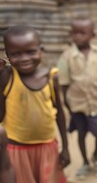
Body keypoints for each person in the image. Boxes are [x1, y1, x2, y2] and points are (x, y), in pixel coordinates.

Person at [0, 25, 70, 183]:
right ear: (7, 56)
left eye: (30, 52)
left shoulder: (51, 78)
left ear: (41, 50)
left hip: (47, 147)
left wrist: (65, 147)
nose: (24, 58)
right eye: (16, 54)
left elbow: (59, 113)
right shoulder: (7, 77)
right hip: (16, 149)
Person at [58, 18, 97, 180]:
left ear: (92, 34)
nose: (78, 36)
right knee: (81, 134)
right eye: (75, 33)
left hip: (95, 102)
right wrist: (68, 104)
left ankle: (95, 154)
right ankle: (85, 162)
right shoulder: (66, 57)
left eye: (83, 33)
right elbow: (64, 83)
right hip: (77, 104)